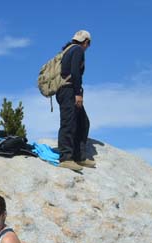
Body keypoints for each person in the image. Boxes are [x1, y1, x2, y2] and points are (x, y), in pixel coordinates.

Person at [57, 30, 94, 172]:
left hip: (67, 90)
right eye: (88, 44)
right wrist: (78, 93)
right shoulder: (78, 50)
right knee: (68, 123)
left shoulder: (68, 50)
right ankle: (66, 158)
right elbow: (75, 72)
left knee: (82, 122)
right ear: (86, 42)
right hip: (69, 90)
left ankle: (79, 156)